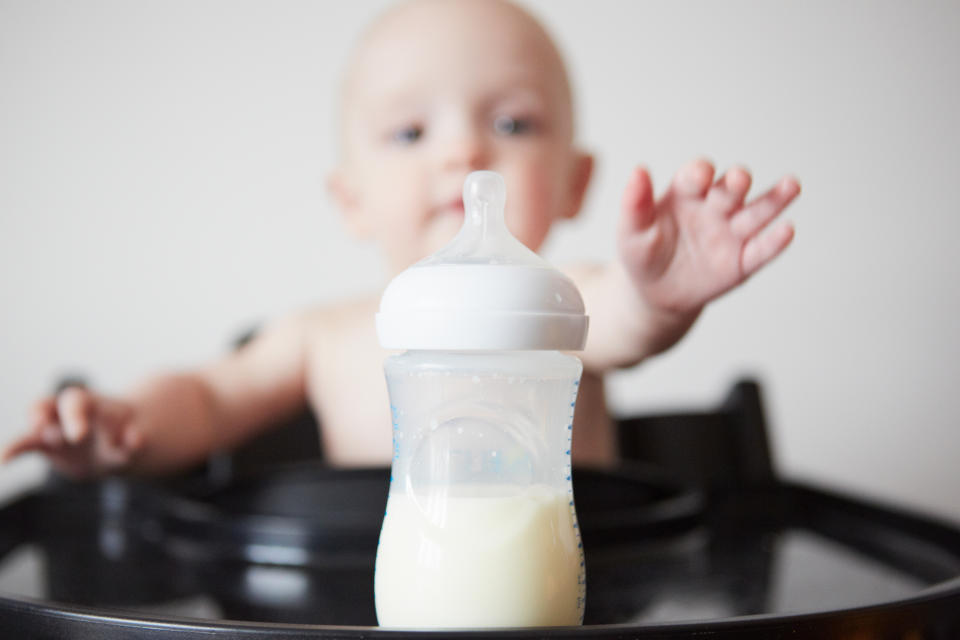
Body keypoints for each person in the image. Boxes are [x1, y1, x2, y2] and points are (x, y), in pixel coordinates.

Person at [2, 0, 799, 479]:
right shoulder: (324, 338)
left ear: (574, 184)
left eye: (512, 122)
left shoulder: (562, 300)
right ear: (353, 200)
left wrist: (657, 293)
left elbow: (622, 322)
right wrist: (123, 426)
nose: (463, 153)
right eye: (410, 130)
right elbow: (212, 400)